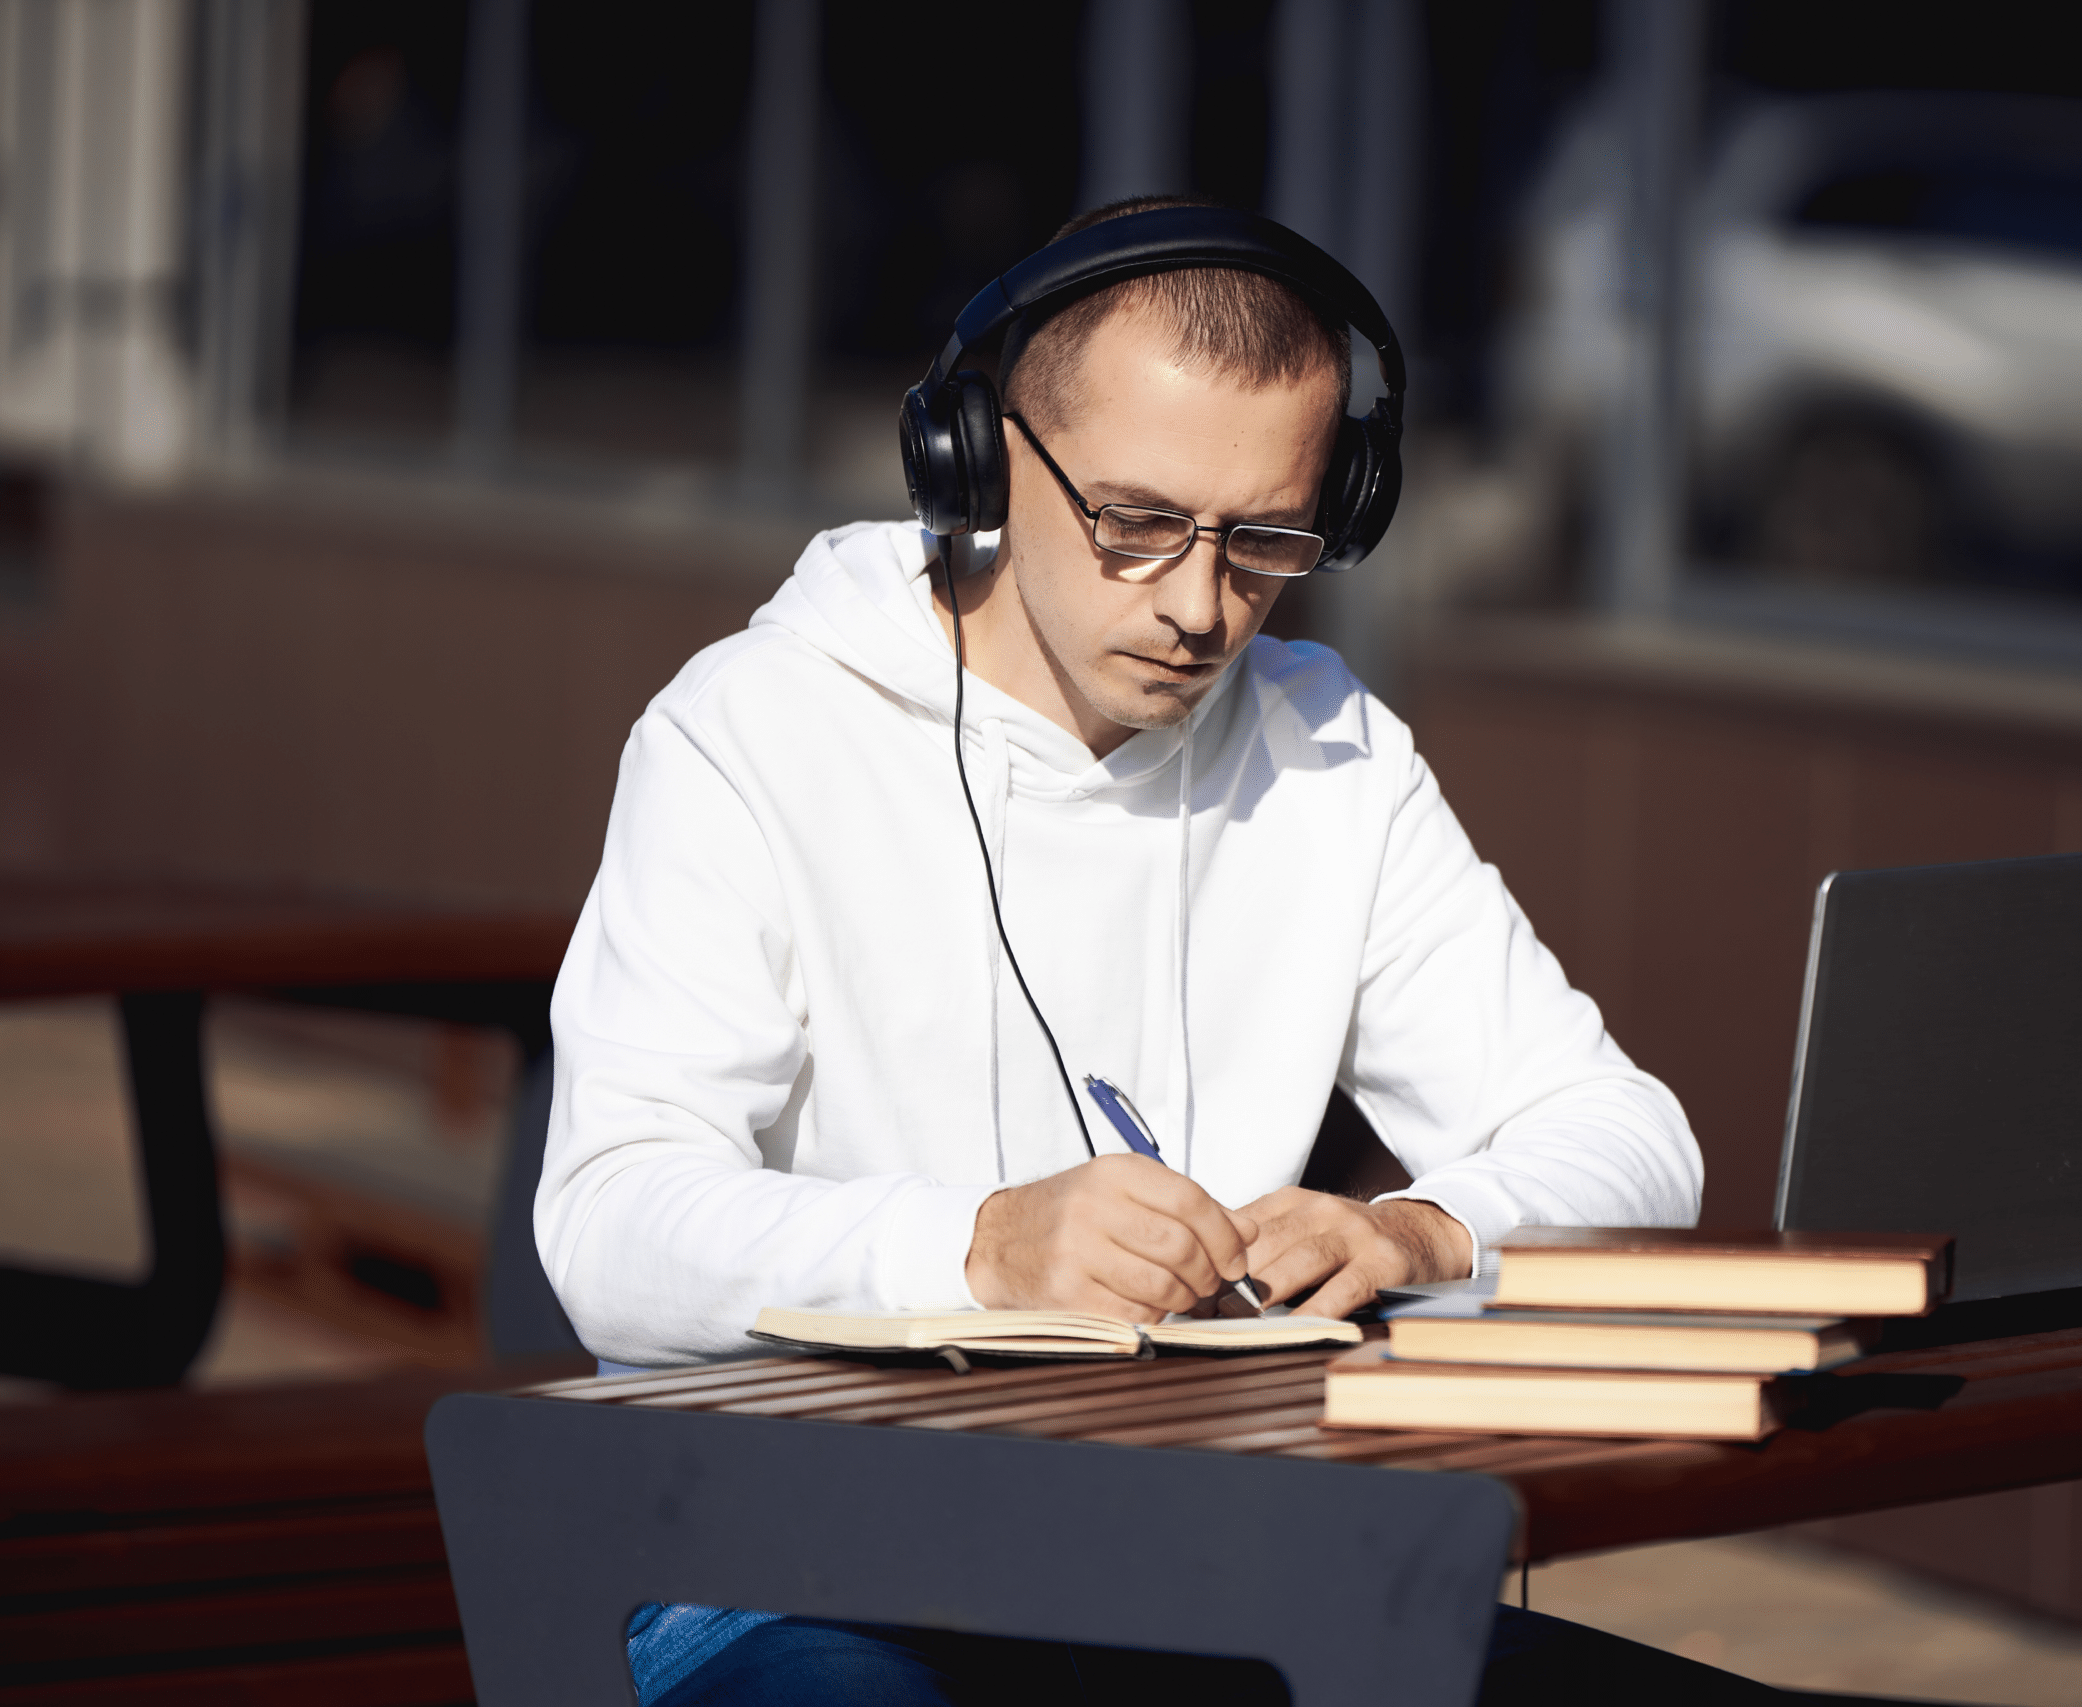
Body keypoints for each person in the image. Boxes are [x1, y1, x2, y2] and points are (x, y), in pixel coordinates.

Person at [539, 197, 1749, 1703]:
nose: (1197, 602)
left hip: (1209, 1566)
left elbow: (1636, 1147)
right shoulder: (748, 731)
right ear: (973, 458)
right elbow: (608, 1225)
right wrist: (978, 1247)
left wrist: (1416, 1233)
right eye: (1136, 521)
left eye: (1267, 539)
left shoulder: (1334, 753)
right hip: (789, 1571)